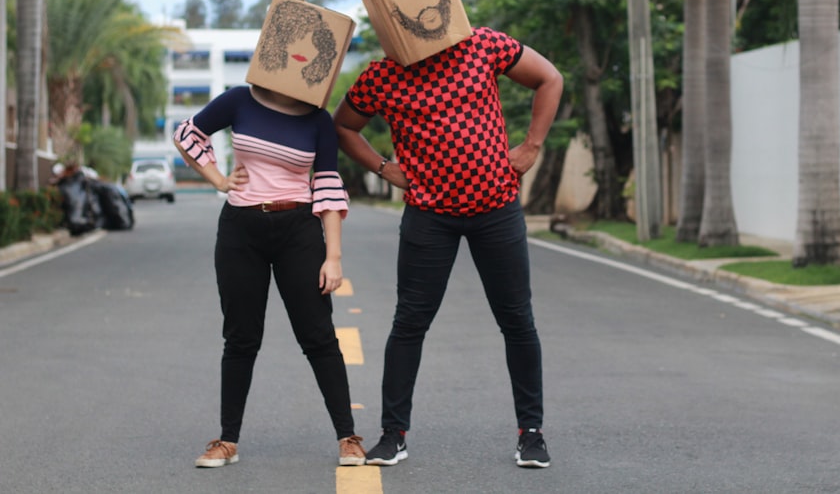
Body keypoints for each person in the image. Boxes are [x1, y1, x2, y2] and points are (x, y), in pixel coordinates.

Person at [332, 26, 563, 468]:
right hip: (429, 216)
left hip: (496, 207)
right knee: (410, 323)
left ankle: (531, 434)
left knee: (516, 320)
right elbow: (343, 126)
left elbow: (549, 78)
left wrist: (532, 145)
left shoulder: (482, 45)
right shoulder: (381, 76)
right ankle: (393, 435)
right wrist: (383, 167)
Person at [173, 84, 366, 468]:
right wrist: (217, 179)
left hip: (298, 228)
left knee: (318, 337)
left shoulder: (318, 120)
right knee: (241, 337)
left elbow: (327, 186)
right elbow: (187, 134)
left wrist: (333, 257)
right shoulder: (239, 100)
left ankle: (348, 438)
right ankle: (227, 441)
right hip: (240, 230)